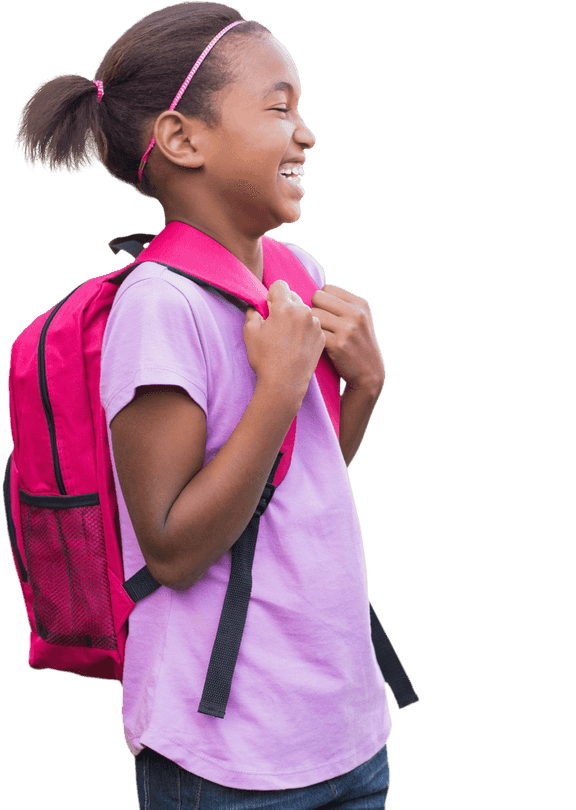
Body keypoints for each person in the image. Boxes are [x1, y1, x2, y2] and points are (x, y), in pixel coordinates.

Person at [14, 3, 393, 807]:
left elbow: (290, 490)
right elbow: (174, 550)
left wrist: (363, 385)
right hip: (227, 750)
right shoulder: (160, 307)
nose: (307, 134)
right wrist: (279, 390)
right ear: (183, 138)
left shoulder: (295, 269)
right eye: (280, 107)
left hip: (341, 725)